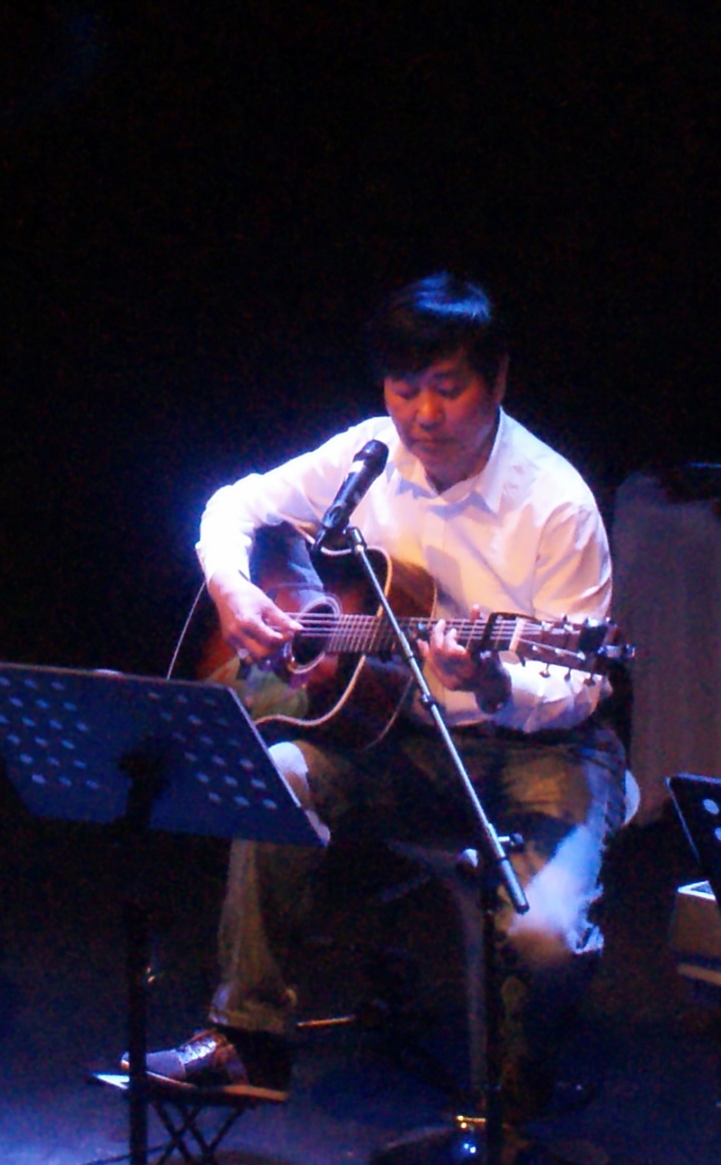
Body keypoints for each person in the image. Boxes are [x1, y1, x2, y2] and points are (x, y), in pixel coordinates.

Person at [147, 274, 623, 1110]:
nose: (422, 415)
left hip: (546, 752)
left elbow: (580, 683)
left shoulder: (556, 502)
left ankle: (521, 1087)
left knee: (545, 939)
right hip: (405, 740)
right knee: (278, 776)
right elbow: (231, 504)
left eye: (447, 387)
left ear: (497, 381)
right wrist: (231, 588)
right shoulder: (366, 458)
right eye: (403, 389)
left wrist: (494, 677)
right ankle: (248, 1037)